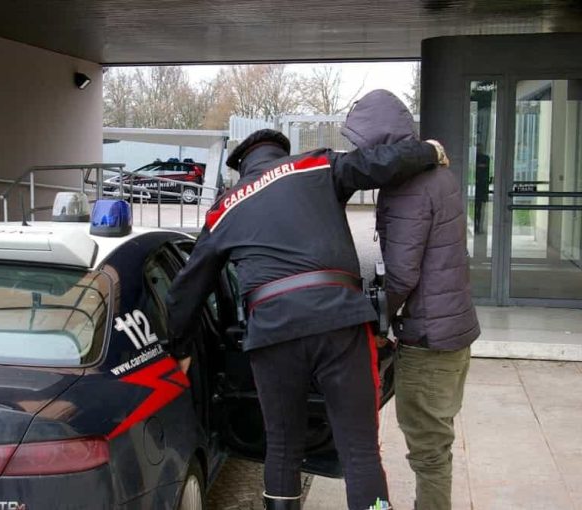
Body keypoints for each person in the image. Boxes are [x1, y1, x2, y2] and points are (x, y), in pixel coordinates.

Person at [165, 128, 448, 510]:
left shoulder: (225, 207)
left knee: (282, 449)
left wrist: (179, 347)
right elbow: (377, 164)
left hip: (273, 335)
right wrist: (427, 150)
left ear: (242, 167)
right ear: (283, 153)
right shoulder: (314, 164)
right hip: (340, 322)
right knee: (360, 449)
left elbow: (186, 288)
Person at [341, 90, 480, 510]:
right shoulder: (439, 175)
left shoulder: (407, 187)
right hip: (454, 330)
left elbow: (401, 274)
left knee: (429, 454)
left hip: (428, 340)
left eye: (363, 147)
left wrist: (374, 321)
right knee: (438, 445)